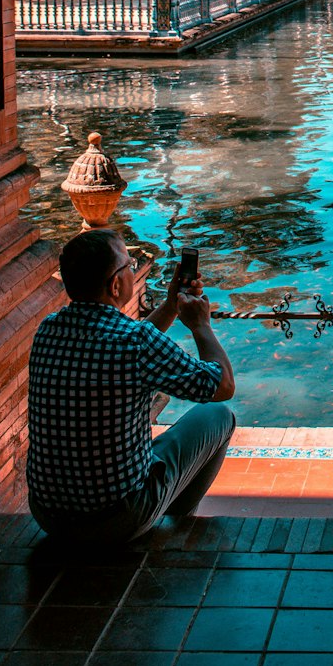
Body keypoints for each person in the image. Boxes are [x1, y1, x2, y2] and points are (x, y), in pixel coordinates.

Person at [27, 228, 236, 545]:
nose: (133, 270)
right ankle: (177, 523)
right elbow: (221, 385)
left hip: (50, 516)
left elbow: (122, 349)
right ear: (115, 285)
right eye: (128, 266)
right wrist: (201, 325)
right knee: (220, 416)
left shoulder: (48, 330)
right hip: (119, 519)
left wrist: (170, 307)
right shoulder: (135, 342)